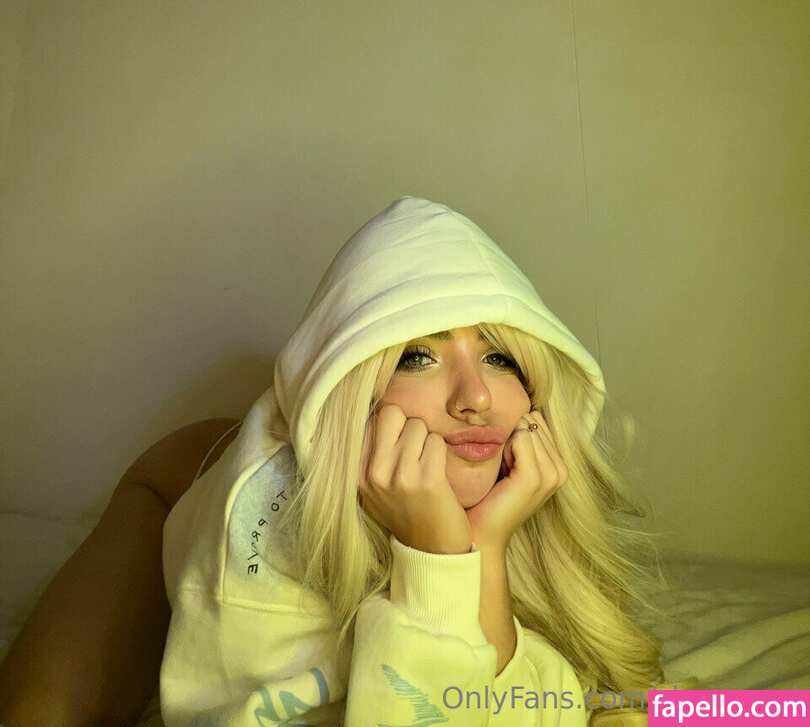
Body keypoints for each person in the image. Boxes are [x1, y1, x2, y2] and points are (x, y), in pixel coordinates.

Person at [0, 196, 663, 726]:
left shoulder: (523, 493)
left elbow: (518, 707)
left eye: (500, 357)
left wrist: (482, 551)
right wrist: (436, 557)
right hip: (172, 481)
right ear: (356, 392)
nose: (478, 397)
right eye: (417, 356)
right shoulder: (264, 529)